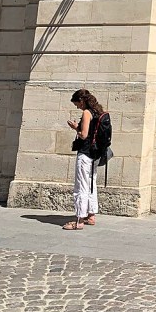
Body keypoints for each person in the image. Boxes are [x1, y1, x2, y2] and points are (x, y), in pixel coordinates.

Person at [63, 88, 103, 230]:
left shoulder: (87, 113)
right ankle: (91, 216)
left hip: (85, 154)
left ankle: (79, 220)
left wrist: (75, 127)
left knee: (81, 186)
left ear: (82, 100)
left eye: (77, 104)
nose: (77, 107)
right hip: (95, 155)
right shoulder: (97, 111)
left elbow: (84, 135)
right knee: (91, 184)